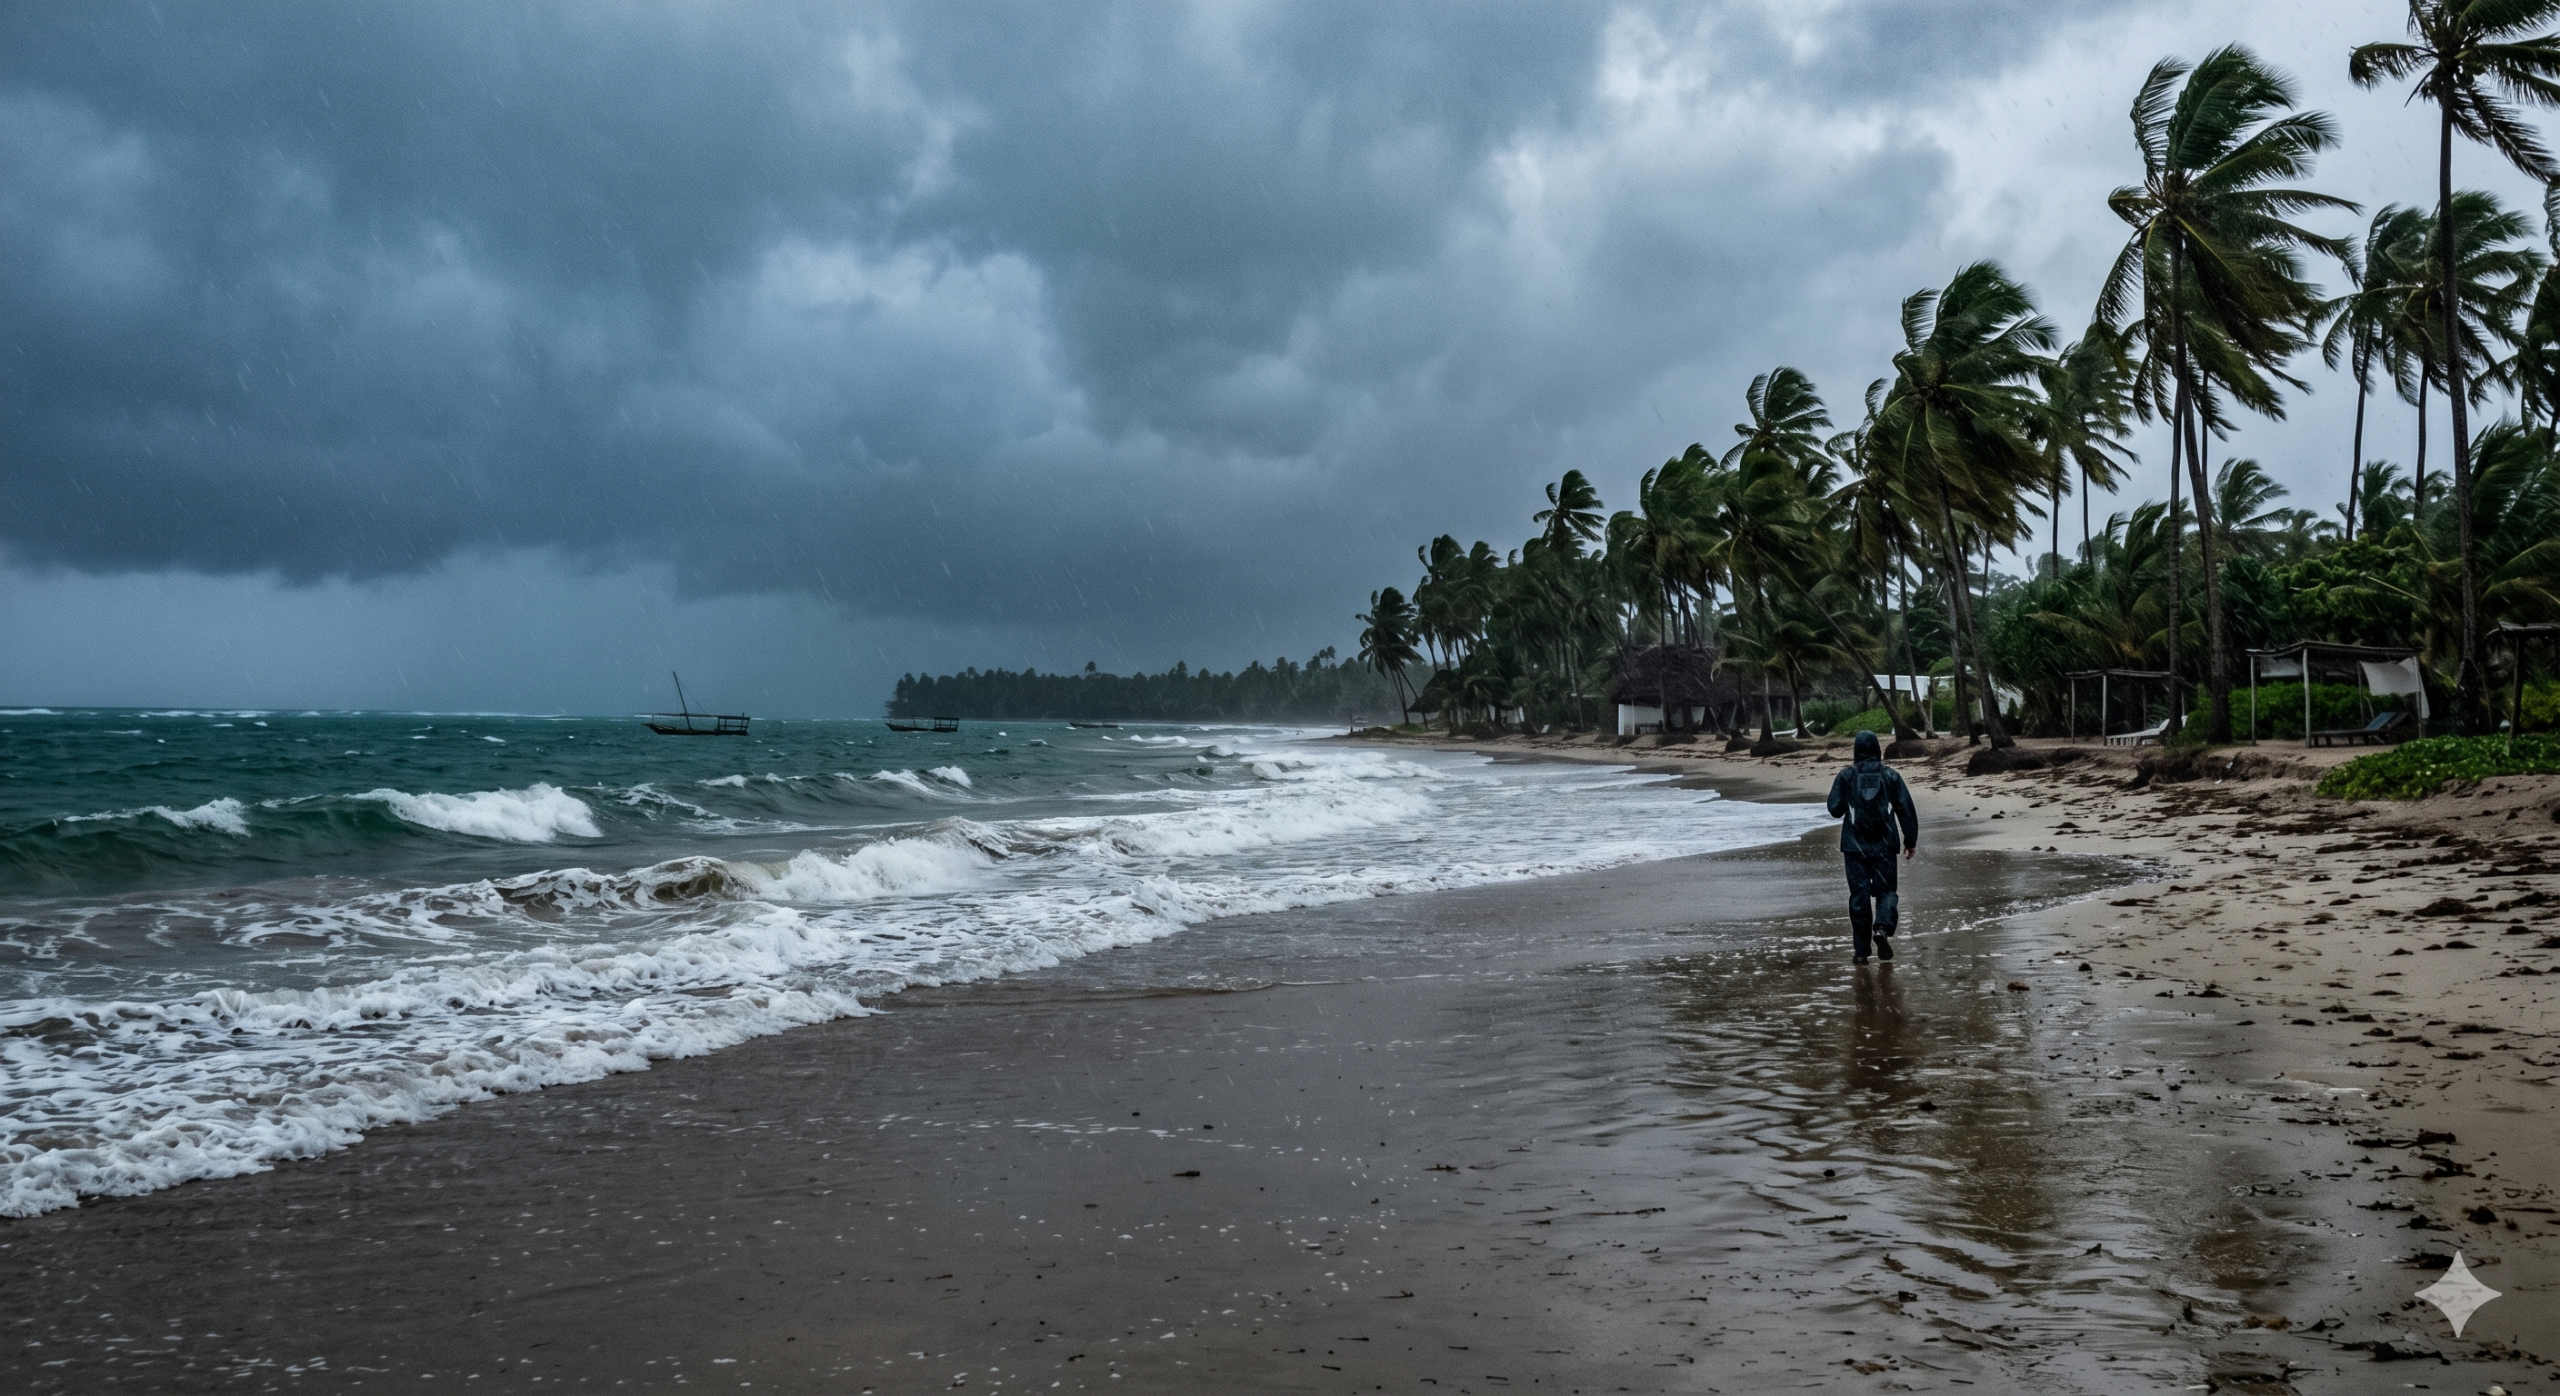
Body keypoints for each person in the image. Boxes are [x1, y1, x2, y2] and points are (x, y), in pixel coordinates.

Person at [1824, 730, 1918, 964]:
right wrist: (1910, 840)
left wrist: (1849, 798)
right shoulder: (1891, 776)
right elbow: (1905, 808)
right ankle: (1882, 930)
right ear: (1877, 750)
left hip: (1854, 847)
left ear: (1856, 751)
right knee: (1887, 892)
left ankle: (1861, 951)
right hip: (1885, 846)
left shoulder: (1846, 776)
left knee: (1859, 896)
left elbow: (1834, 809)